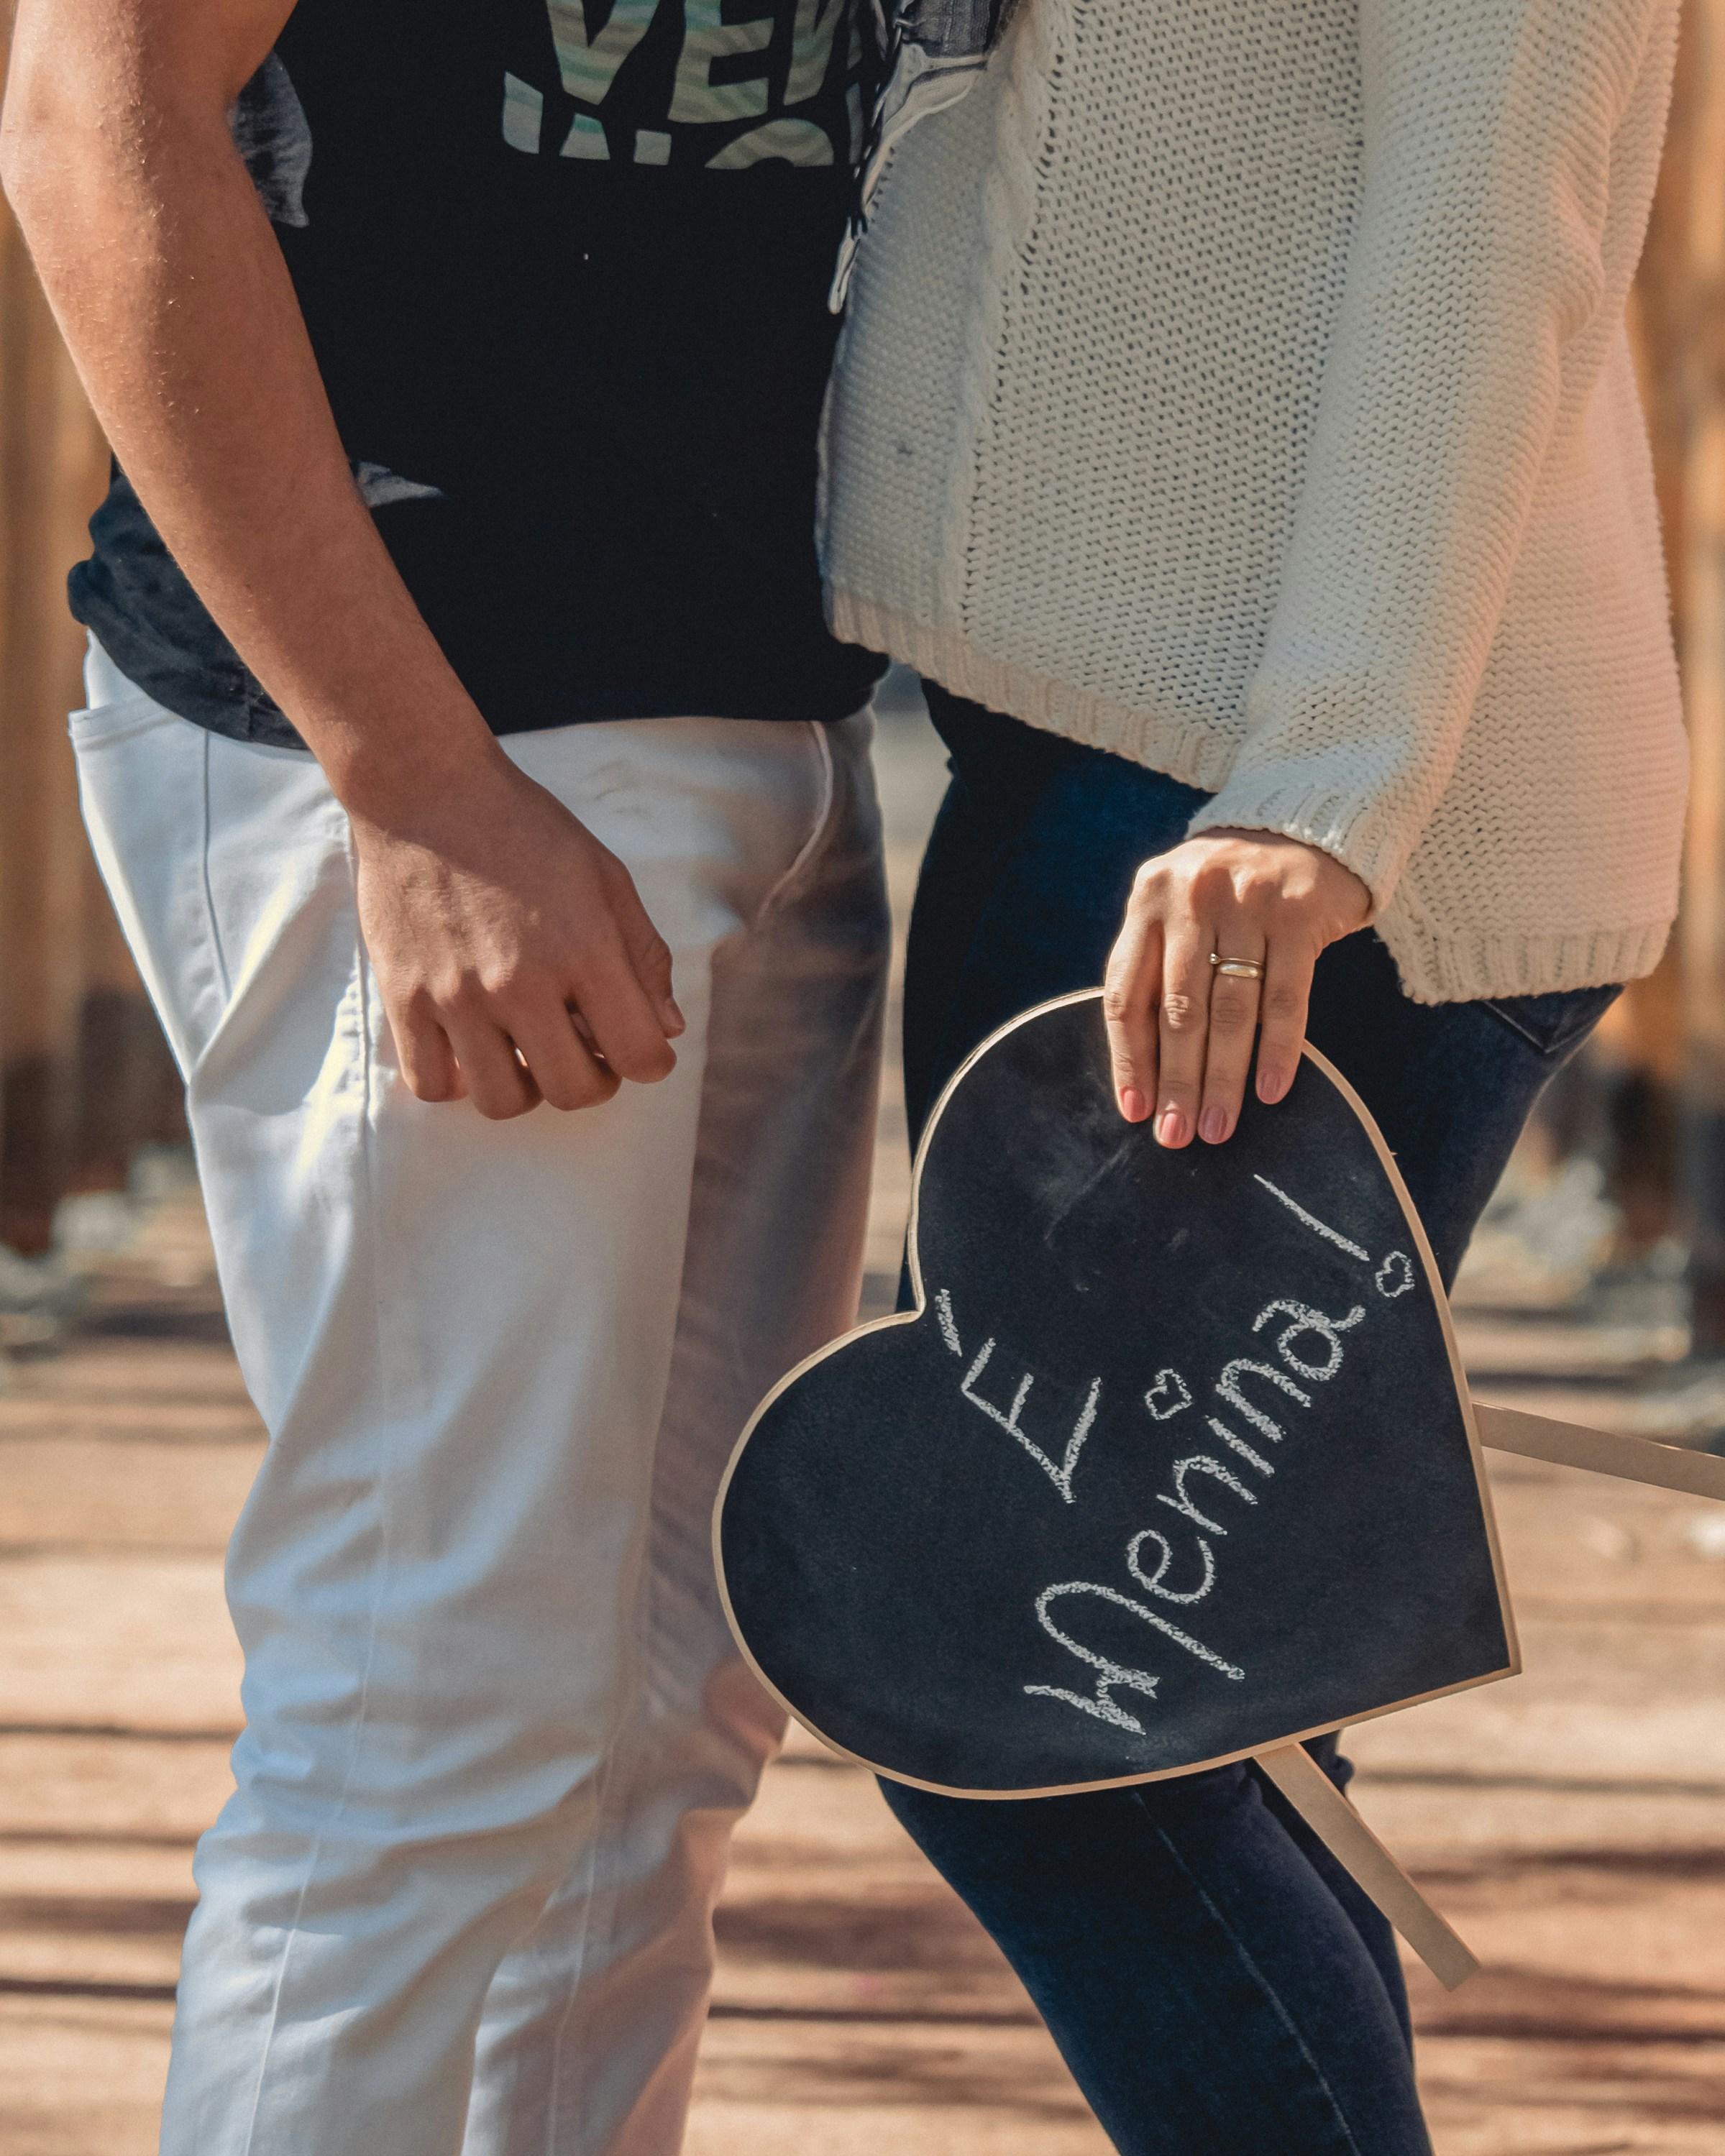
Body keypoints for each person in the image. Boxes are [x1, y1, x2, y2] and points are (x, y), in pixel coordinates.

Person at [1, 2, 890, 2150]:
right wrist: (407, 781)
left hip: (762, 702)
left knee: (663, 1711)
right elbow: (89, 116)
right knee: (432, 1704)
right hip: (439, 736)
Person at [819, 0, 1688, 2150]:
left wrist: (1327, 790)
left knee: (1035, 1705)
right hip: (1105, 757)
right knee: (1187, 1713)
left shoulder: (1297, 812)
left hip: (1277, 831)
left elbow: (1494, 215)